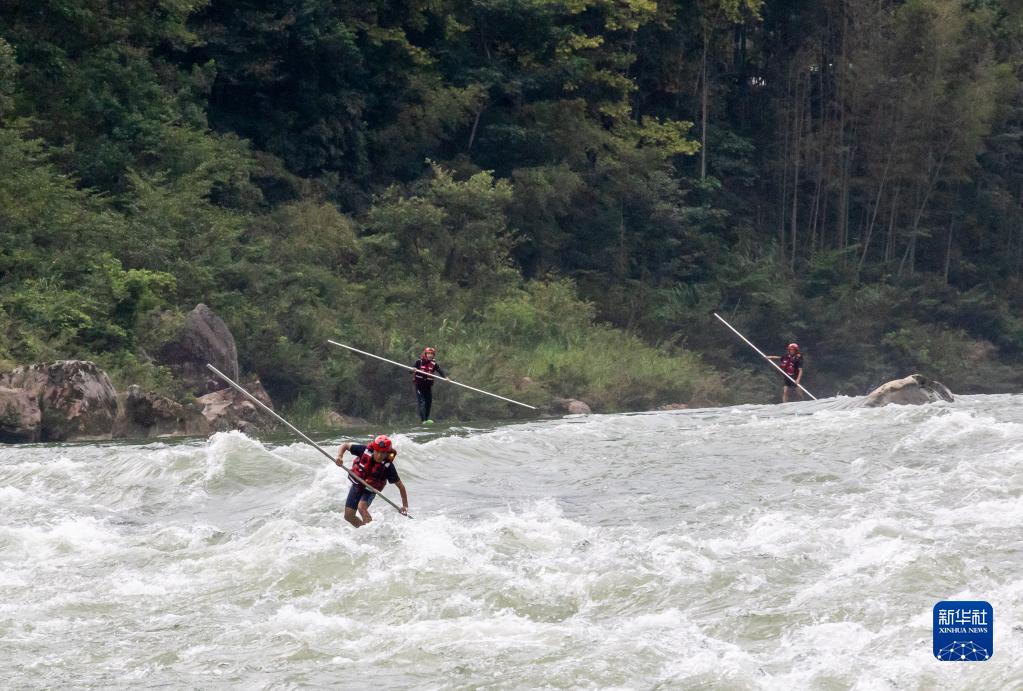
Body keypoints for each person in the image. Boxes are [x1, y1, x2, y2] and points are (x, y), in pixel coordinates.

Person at [335, 434, 409, 527]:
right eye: (377, 451)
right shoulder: (364, 450)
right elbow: (345, 445)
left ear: (387, 453)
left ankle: (372, 533)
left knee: (361, 507)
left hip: (370, 490)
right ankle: (365, 532)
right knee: (348, 516)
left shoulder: (388, 467)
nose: (379, 455)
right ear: (373, 448)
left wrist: (405, 506)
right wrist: (340, 456)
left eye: (383, 453)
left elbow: (401, 486)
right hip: (357, 485)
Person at [412, 346, 446, 424]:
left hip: (428, 387)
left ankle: (427, 419)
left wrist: (446, 378)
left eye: (432, 354)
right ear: (425, 354)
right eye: (429, 354)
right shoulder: (419, 362)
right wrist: (413, 369)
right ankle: (423, 420)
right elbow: (411, 370)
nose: (430, 355)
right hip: (419, 386)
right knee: (422, 402)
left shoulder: (434, 364)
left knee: (429, 402)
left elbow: (440, 371)